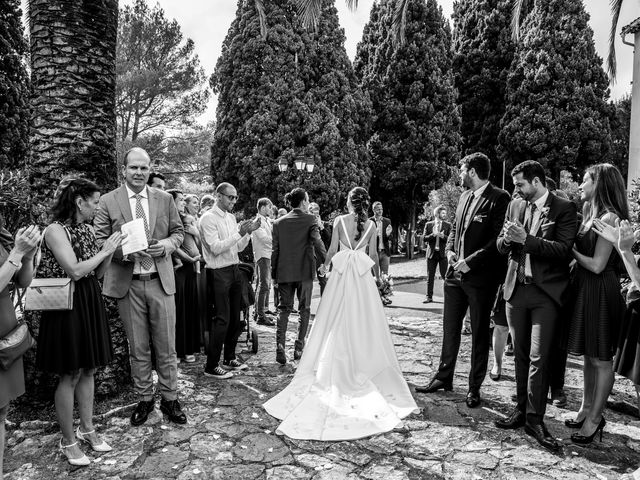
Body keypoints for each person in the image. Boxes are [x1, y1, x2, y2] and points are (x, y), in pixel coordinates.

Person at [263, 187, 418, 440]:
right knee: (364, 321)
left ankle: (335, 363)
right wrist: (379, 280)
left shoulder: (338, 221)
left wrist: (324, 269)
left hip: (342, 277)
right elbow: (373, 257)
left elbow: (333, 250)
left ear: (348, 202)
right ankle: (364, 363)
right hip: (363, 281)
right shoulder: (371, 226)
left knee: (334, 320)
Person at [94, 147, 186, 426]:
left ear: (150, 169)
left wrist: (166, 246)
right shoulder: (109, 200)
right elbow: (100, 239)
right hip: (128, 284)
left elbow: (178, 233)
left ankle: (170, 399)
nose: (139, 173)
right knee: (139, 348)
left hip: (160, 282)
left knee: (167, 346)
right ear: (124, 169)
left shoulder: (165, 198)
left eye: (144, 168)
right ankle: (144, 399)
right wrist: (123, 253)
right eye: (134, 168)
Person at [36, 178, 124, 465]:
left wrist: (109, 251)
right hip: (66, 304)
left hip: (88, 299)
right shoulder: (54, 231)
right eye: (95, 201)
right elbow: (74, 270)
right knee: (69, 373)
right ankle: (67, 440)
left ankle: (87, 429)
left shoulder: (86, 230)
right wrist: (103, 251)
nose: (98, 207)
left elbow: (96, 274)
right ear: (79, 201)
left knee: (89, 369)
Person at [494, 160, 577, 452]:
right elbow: (501, 247)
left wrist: (526, 239)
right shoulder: (515, 206)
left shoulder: (563, 208)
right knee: (518, 356)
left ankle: (535, 419)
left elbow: (562, 250)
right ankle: (520, 410)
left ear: (538, 181)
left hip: (545, 293)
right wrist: (506, 239)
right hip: (515, 290)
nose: (515, 189)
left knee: (539, 358)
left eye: (520, 184)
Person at [416, 152, 509, 410]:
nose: (459, 174)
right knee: (450, 329)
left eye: (461, 169)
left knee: (479, 333)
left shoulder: (500, 198)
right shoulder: (464, 196)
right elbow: (455, 229)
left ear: (472, 171)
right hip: (454, 276)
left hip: (481, 278)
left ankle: (474, 387)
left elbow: (498, 239)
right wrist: (449, 250)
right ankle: (444, 377)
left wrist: (471, 261)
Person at [566, 163, 627, 445]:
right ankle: (585, 407)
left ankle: (595, 418)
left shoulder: (611, 218)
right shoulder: (592, 214)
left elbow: (598, 264)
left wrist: (570, 251)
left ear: (599, 183)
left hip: (601, 290)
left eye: (584, 179)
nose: (580, 184)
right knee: (589, 356)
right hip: (586, 289)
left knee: (602, 359)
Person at [199, 182, 260, 379]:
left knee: (237, 317)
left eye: (235, 198)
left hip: (234, 269)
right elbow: (215, 247)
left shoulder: (232, 218)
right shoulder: (207, 219)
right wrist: (238, 233)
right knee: (222, 319)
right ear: (219, 196)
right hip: (218, 272)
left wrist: (248, 232)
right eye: (230, 197)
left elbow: (238, 247)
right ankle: (211, 365)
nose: (234, 201)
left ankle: (229, 357)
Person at [0, 221, 40, 477]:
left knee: (1, 409)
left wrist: (27, 255)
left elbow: (22, 281)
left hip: (6, 335)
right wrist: (16, 253)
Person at [271, 188, 326, 364]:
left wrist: (273, 274)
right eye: (308, 200)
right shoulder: (311, 219)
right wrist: (327, 261)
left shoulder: (278, 223)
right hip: (304, 271)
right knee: (304, 309)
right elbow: (317, 241)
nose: (309, 203)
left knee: (283, 309)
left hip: (284, 271)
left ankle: (280, 346)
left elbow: (275, 251)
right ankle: (299, 346)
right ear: (303, 202)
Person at [166, 189, 201, 364]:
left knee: (190, 308)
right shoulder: (169, 218)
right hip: (178, 268)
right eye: (179, 200)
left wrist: (196, 233)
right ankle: (179, 350)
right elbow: (173, 244)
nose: (182, 202)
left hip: (190, 268)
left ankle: (188, 348)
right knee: (179, 310)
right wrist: (188, 258)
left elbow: (199, 244)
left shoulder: (187, 220)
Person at [252, 198, 275, 326]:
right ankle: (261, 315)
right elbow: (264, 239)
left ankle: (258, 313)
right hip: (262, 255)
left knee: (263, 285)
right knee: (264, 285)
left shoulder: (266, 220)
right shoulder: (258, 221)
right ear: (262, 207)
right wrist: (276, 238)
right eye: (269, 207)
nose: (271, 210)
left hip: (267, 254)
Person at [423, 205, 451, 303]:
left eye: (445, 213)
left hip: (443, 255)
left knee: (445, 276)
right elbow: (424, 238)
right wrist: (433, 235)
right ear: (437, 214)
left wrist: (443, 236)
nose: (445, 214)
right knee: (430, 276)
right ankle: (429, 297)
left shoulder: (448, 225)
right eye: (443, 213)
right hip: (431, 254)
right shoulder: (429, 224)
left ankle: (448, 298)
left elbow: (451, 240)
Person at [309, 202, 332, 296]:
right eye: (313, 214)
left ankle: (324, 303)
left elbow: (329, 238)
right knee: (307, 281)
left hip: (320, 256)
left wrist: (321, 227)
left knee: (323, 280)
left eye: (317, 214)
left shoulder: (325, 224)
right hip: (309, 254)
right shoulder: (307, 225)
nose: (315, 216)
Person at [370, 201, 392, 275]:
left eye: (381, 209)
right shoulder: (369, 221)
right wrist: (374, 235)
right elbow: (366, 238)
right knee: (373, 276)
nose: (380, 211)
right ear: (373, 210)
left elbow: (390, 238)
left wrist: (388, 234)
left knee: (385, 276)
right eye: (378, 209)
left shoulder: (387, 221)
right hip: (373, 252)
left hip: (385, 252)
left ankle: (385, 287)